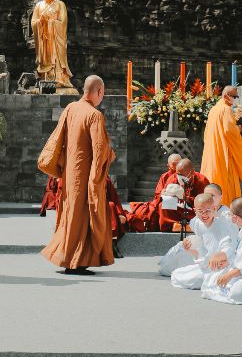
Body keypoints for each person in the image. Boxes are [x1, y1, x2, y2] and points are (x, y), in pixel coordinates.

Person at [41, 76, 115, 275]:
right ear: (99, 91)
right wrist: (108, 158)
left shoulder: (71, 108)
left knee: (70, 215)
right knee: (83, 218)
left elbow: (59, 138)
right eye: (103, 93)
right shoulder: (94, 115)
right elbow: (99, 150)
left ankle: (66, 257)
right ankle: (76, 261)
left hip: (70, 173)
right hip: (85, 176)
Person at [159, 192, 234, 280]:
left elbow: (229, 246)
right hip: (203, 259)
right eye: (200, 211)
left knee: (182, 278)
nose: (204, 214)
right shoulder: (196, 223)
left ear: (214, 209)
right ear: (195, 211)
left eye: (208, 211)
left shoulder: (222, 225)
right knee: (176, 268)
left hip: (219, 264)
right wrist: (190, 249)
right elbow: (201, 246)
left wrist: (221, 256)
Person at [199, 86, 242, 206]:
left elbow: (206, 132)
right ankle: (227, 209)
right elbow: (228, 131)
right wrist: (237, 129)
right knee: (227, 184)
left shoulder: (213, 110)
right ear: (226, 96)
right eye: (234, 97)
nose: (235, 99)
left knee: (212, 178)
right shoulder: (226, 109)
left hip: (212, 154)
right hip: (223, 154)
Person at [124, 154, 180, 232]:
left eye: (179, 163)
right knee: (158, 206)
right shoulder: (165, 176)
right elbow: (158, 193)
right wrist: (163, 193)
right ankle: (165, 227)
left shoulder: (187, 175)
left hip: (181, 202)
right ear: (168, 165)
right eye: (174, 164)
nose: (177, 165)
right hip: (167, 201)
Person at [158, 158, 210, 233]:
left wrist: (185, 198)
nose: (178, 177)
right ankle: (173, 226)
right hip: (178, 208)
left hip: (193, 210)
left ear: (191, 172)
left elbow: (206, 201)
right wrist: (163, 194)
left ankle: (187, 225)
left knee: (203, 212)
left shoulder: (202, 180)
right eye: (177, 174)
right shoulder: (173, 178)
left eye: (181, 174)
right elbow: (162, 197)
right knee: (162, 206)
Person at [104, 176, 128, 258]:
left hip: (104, 206)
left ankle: (113, 242)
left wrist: (120, 213)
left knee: (111, 205)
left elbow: (114, 198)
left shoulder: (105, 179)